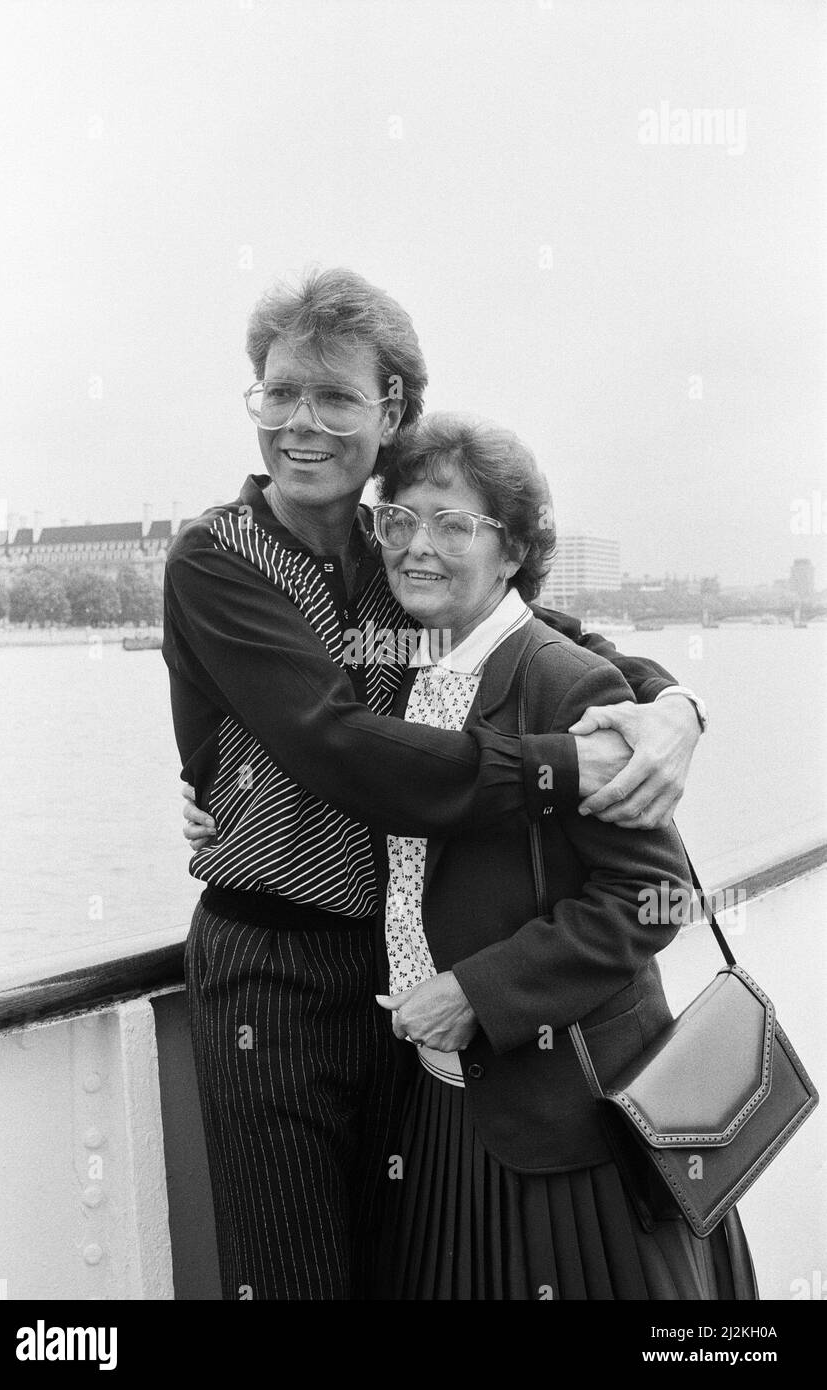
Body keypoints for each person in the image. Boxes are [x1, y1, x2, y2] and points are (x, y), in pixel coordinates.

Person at [165, 267, 706, 1301]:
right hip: (271, 970)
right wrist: (560, 766)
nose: (300, 424)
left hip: (394, 977)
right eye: (278, 393)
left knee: (390, 1266)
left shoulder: (390, 550)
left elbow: (554, 642)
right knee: (292, 1277)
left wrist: (675, 707)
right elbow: (339, 748)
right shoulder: (215, 559)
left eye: (334, 397)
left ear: (391, 410)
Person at [367, 413, 756, 1300]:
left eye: (452, 524)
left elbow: (649, 896)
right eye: (400, 519)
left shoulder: (558, 677)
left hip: (566, 1118)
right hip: (446, 1102)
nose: (417, 546)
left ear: (512, 552)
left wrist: (476, 992)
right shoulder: (403, 672)